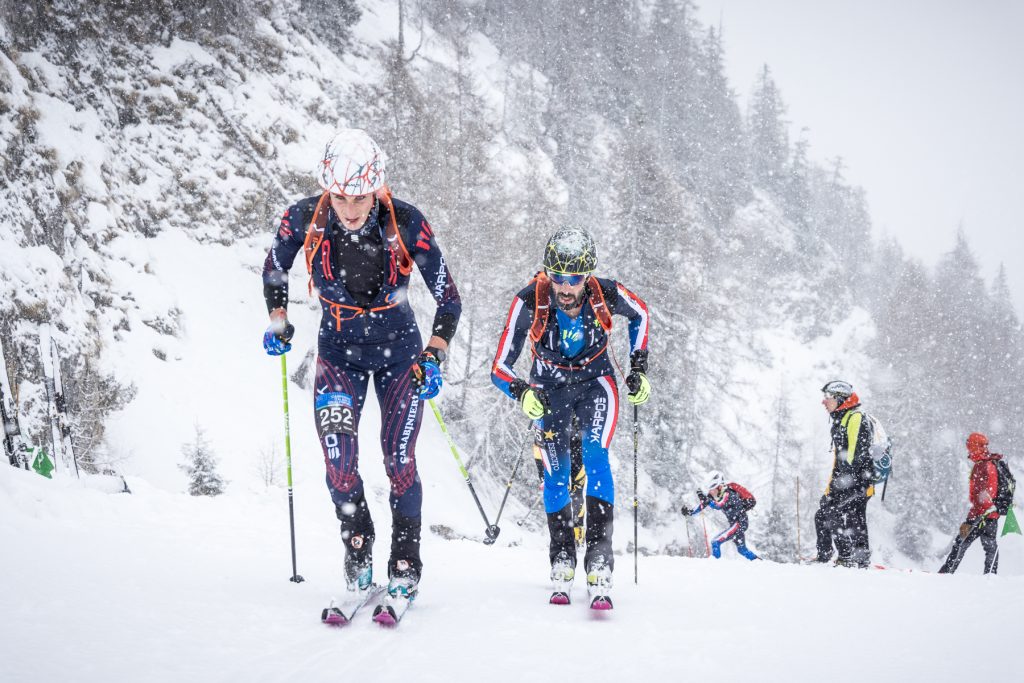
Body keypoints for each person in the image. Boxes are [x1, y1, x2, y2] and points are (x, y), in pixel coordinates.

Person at [261, 129, 461, 603]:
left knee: (398, 459)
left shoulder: (407, 222)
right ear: (329, 188)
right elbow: (274, 268)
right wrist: (278, 319)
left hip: (401, 352)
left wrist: (435, 352)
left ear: (378, 190)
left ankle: (406, 559)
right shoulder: (302, 218)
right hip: (338, 354)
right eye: (342, 198)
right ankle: (358, 545)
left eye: (361, 198)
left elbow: (448, 299)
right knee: (339, 464)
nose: (350, 209)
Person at [491, 227, 650, 607]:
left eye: (574, 278)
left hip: (598, 384)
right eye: (557, 276)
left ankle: (598, 556)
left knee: (595, 454)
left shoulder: (606, 292)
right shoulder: (529, 299)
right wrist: (521, 392)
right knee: (556, 471)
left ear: (588, 275)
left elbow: (641, 314)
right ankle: (562, 553)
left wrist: (639, 368)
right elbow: (499, 365)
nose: (565, 287)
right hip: (549, 390)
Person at [813, 380, 876, 568]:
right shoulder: (843, 418)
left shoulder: (855, 418)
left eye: (828, 397)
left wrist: (842, 488)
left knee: (840, 515)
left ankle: (850, 559)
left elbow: (854, 457)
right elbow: (839, 462)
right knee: (830, 515)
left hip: (858, 481)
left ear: (840, 399)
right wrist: (831, 489)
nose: (824, 402)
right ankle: (841, 558)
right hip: (847, 481)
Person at [938, 432, 1002, 574]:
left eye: (970, 446)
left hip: (983, 515)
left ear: (976, 446)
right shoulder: (981, 464)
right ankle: (990, 576)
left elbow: (989, 491)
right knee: (987, 546)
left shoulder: (986, 465)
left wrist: (981, 510)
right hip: (984, 514)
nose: (969, 449)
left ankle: (947, 572)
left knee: (961, 542)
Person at [532, 418, 586, 547]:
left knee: (564, 490)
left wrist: (542, 474)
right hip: (576, 433)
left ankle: (568, 535)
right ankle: (576, 535)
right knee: (575, 490)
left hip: (558, 433)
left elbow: (538, 444)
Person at [682, 471, 759, 560]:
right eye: (709, 489)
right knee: (742, 549)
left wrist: (706, 500)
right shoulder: (717, 495)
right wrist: (690, 512)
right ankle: (760, 563)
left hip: (740, 523)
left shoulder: (729, 494)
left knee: (715, 542)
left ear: (719, 486)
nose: (710, 492)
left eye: (712, 488)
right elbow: (704, 504)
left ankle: (715, 566)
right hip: (736, 524)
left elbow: (718, 505)